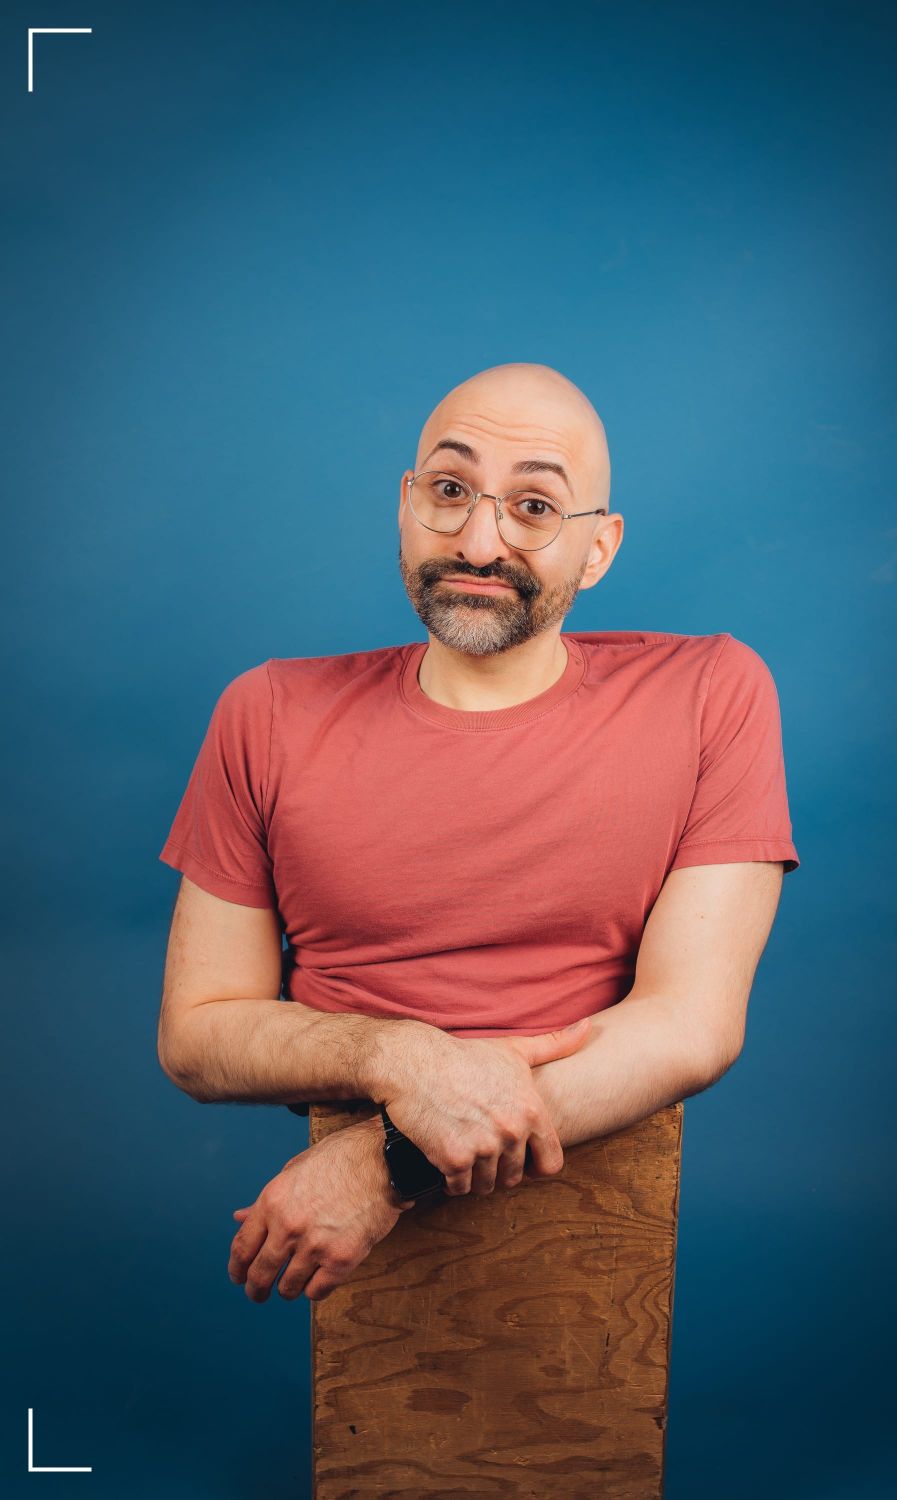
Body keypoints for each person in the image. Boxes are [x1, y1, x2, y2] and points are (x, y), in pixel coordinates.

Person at [156, 361, 800, 1304]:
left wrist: (387, 1169)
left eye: (536, 506)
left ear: (599, 549)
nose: (480, 540)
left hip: (594, 1225)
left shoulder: (713, 694)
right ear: (406, 503)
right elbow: (195, 1036)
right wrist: (395, 1056)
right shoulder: (267, 713)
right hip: (348, 1279)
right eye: (450, 491)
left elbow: (692, 1026)